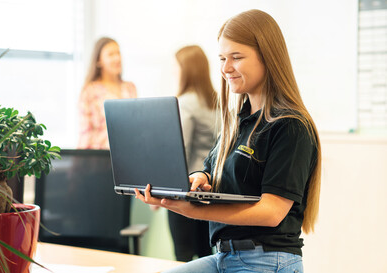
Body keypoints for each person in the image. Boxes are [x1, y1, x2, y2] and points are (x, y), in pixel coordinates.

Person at [135, 9, 321, 273]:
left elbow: (271, 212)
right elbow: (209, 168)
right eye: (222, 58)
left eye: (236, 57)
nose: (225, 68)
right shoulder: (237, 123)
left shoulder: (291, 126)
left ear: (268, 58)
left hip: (267, 259)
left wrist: (193, 211)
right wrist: (200, 177)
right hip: (224, 257)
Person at [168, 45, 219, 262]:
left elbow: (180, 150)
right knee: (206, 255)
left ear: (186, 70)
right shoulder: (217, 102)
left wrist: (161, 192)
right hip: (209, 189)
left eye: (176, 67)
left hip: (185, 188)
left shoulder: (185, 103)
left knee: (183, 255)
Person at [78, 37, 137, 149]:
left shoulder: (130, 88)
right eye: (110, 54)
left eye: (118, 53)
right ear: (99, 60)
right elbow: (85, 131)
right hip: (101, 157)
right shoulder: (90, 90)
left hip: (129, 152)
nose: (117, 58)